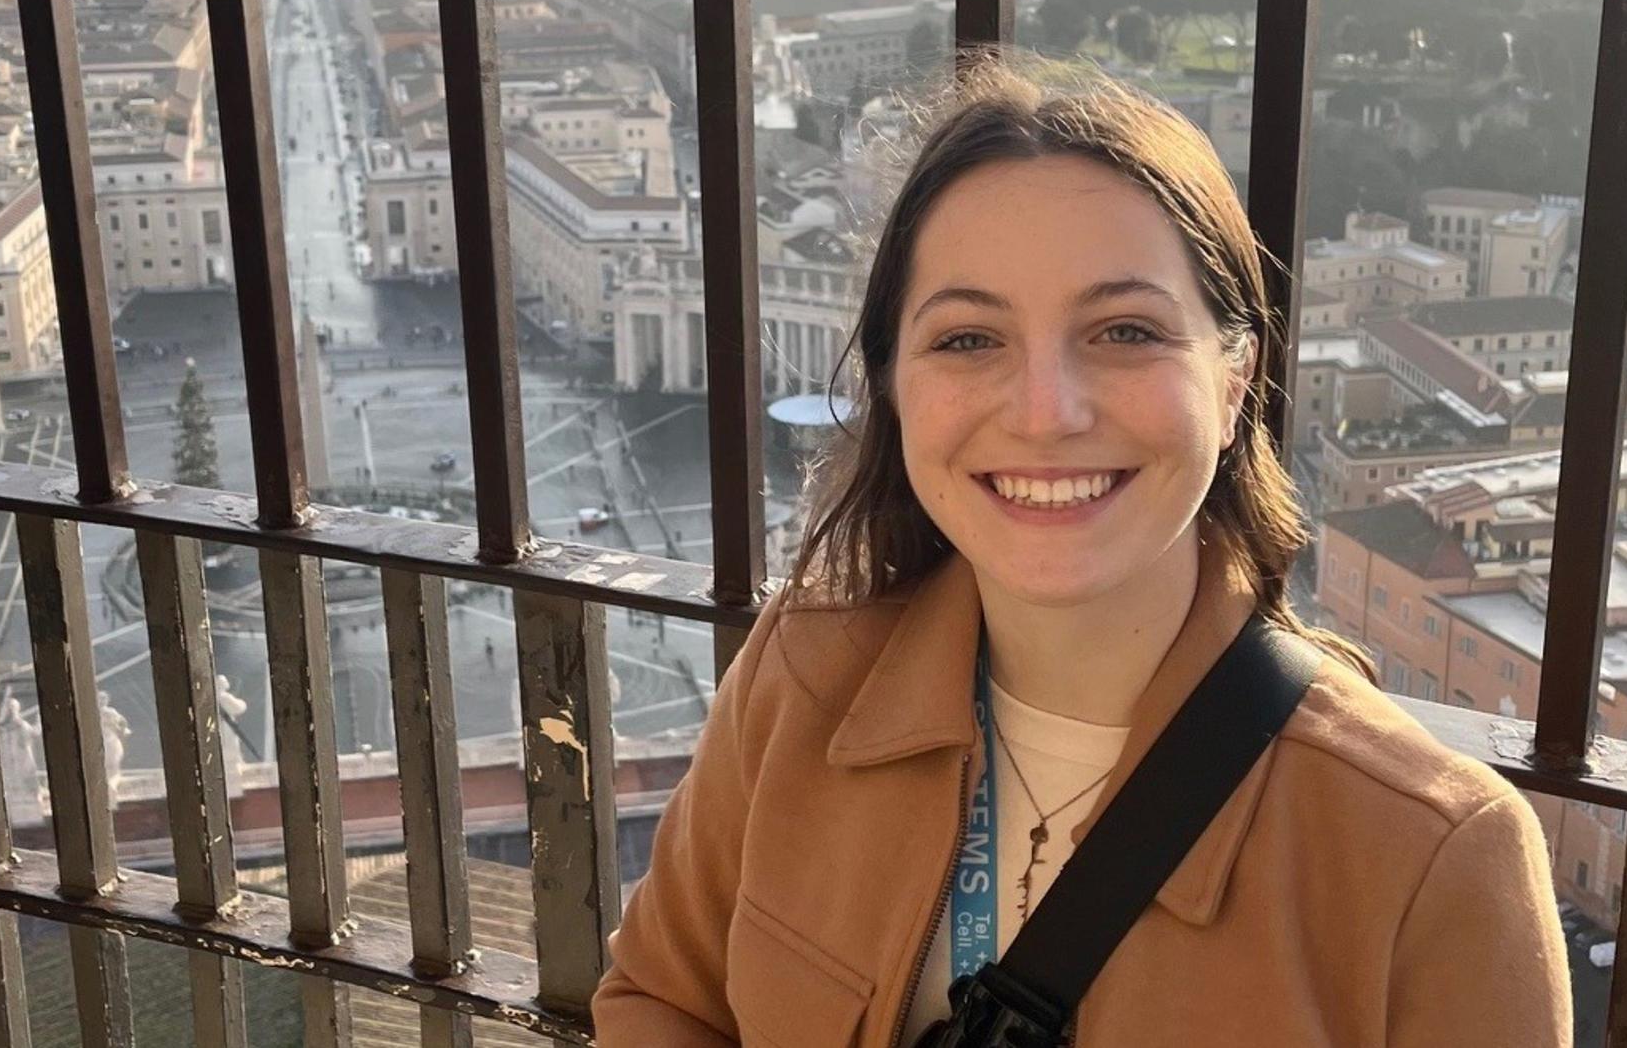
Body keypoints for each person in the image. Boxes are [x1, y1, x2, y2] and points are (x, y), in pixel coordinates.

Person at [592, 55, 1569, 1046]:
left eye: (1125, 331)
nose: (1045, 414)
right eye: (968, 339)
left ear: (1235, 381)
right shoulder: (800, 677)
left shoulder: (1436, 858)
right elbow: (662, 1000)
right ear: (893, 386)